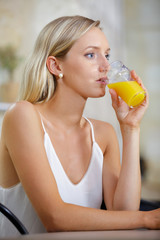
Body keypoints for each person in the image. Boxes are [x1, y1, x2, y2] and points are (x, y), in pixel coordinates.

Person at [0, 15, 159, 237]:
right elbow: (55, 218)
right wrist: (148, 217)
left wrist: (131, 128)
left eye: (107, 54)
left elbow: (123, 214)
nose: (105, 66)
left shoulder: (103, 134)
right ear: (55, 66)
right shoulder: (22, 116)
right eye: (91, 55)